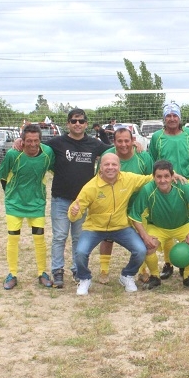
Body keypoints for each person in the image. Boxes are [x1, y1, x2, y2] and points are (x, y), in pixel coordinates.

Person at [67, 153, 153, 296]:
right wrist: (74, 211)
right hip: (94, 228)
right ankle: (84, 278)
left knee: (140, 250)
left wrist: (172, 174)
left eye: (114, 164)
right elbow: (74, 213)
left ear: (119, 166)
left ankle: (127, 275)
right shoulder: (90, 187)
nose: (110, 167)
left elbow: (149, 178)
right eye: (106, 164)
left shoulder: (128, 179)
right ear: (100, 167)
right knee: (80, 252)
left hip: (121, 227)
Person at [47, 108, 111, 288]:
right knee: (59, 236)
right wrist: (20, 140)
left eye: (81, 121)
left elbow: (116, 150)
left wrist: (134, 144)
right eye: (74, 121)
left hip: (83, 201)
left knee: (79, 238)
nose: (77, 124)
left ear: (86, 124)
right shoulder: (56, 143)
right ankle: (57, 271)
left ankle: (78, 270)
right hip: (60, 198)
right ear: (68, 123)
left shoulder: (94, 144)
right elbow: (36, 147)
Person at [129, 160, 189, 290]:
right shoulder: (147, 189)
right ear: (153, 177)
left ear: (172, 176)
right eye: (159, 177)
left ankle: (188, 276)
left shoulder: (184, 186)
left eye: (166, 176)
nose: (163, 180)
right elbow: (134, 215)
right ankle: (155, 276)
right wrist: (145, 236)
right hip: (158, 226)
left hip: (182, 225)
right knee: (148, 246)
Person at [0, 124, 56, 290]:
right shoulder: (13, 154)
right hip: (14, 203)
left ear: (40, 140)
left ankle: (42, 273)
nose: (32, 144)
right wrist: (10, 194)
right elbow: (2, 175)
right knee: (13, 238)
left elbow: (55, 169)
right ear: (22, 141)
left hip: (36, 203)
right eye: (28, 141)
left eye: (36, 140)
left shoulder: (47, 153)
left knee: (39, 238)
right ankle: (12, 274)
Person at [95, 126, 154, 284]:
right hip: (114, 204)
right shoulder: (107, 157)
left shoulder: (143, 157)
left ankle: (142, 271)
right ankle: (104, 271)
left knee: (143, 237)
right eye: (119, 141)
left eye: (126, 140)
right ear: (113, 142)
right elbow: (98, 180)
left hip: (138, 206)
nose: (123, 144)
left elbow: (151, 179)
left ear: (133, 141)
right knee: (107, 238)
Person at [148, 102, 189, 278]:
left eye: (175, 115)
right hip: (164, 182)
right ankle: (168, 263)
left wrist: (182, 175)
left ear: (180, 118)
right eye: (168, 115)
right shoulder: (156, 137)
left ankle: (185, 263)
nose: (172, 118)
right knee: (165, 219)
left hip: (185, 182)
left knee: (182, 220)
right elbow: (153, 160)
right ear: (164, 118)